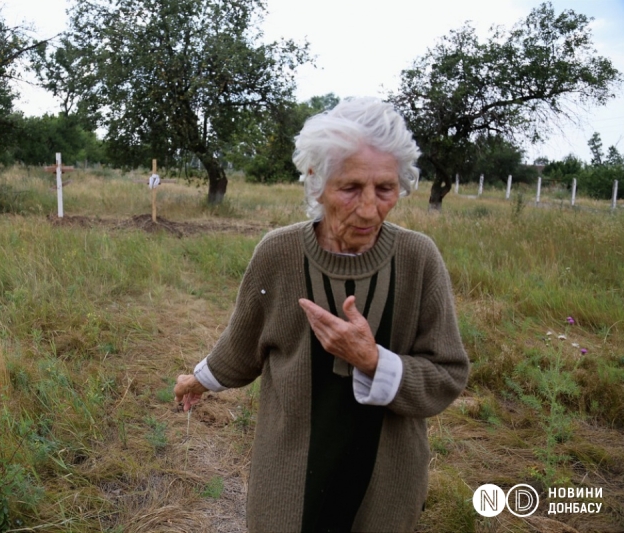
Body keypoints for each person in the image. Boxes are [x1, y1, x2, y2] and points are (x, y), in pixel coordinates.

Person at [174, 97, 469, 532]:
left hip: (385, 487)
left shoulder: (418, 258)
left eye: (385, 189)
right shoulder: (279, 253)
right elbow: (241, 349)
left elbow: (447, 375)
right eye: (350, 188)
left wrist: (373, 362)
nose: (369, 208)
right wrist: (196, 379)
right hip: (289, 482)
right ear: (316, 182)